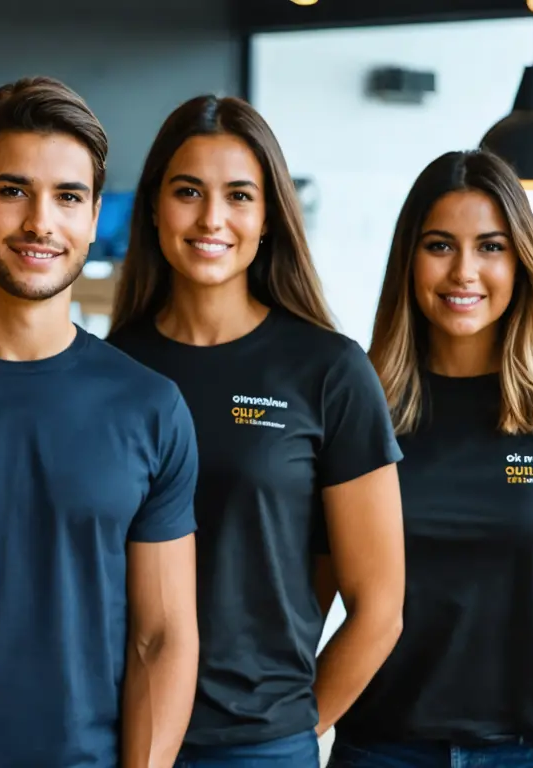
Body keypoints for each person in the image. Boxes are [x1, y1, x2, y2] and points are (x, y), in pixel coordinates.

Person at [327, 149, 533, 768]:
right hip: (384, 748)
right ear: (409, 259)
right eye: (439, 246)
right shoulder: (360, 406)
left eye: (490, 246)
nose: (464, 272)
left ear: (521, 260)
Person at [106, 95, 406, 767]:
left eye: (239, 195)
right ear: (155, 206)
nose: (212, 218)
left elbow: (380, 607)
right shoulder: (111, 367)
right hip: (113, 731)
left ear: (269, 217)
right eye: (189, 192)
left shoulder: (327, 370)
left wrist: (295, 728)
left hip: (258, 745)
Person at [0, 75, 201, 768]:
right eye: (13, 190)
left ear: (93, 213)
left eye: (68, 197)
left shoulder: (149, 406)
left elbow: (163, 637)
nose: (41, 222)